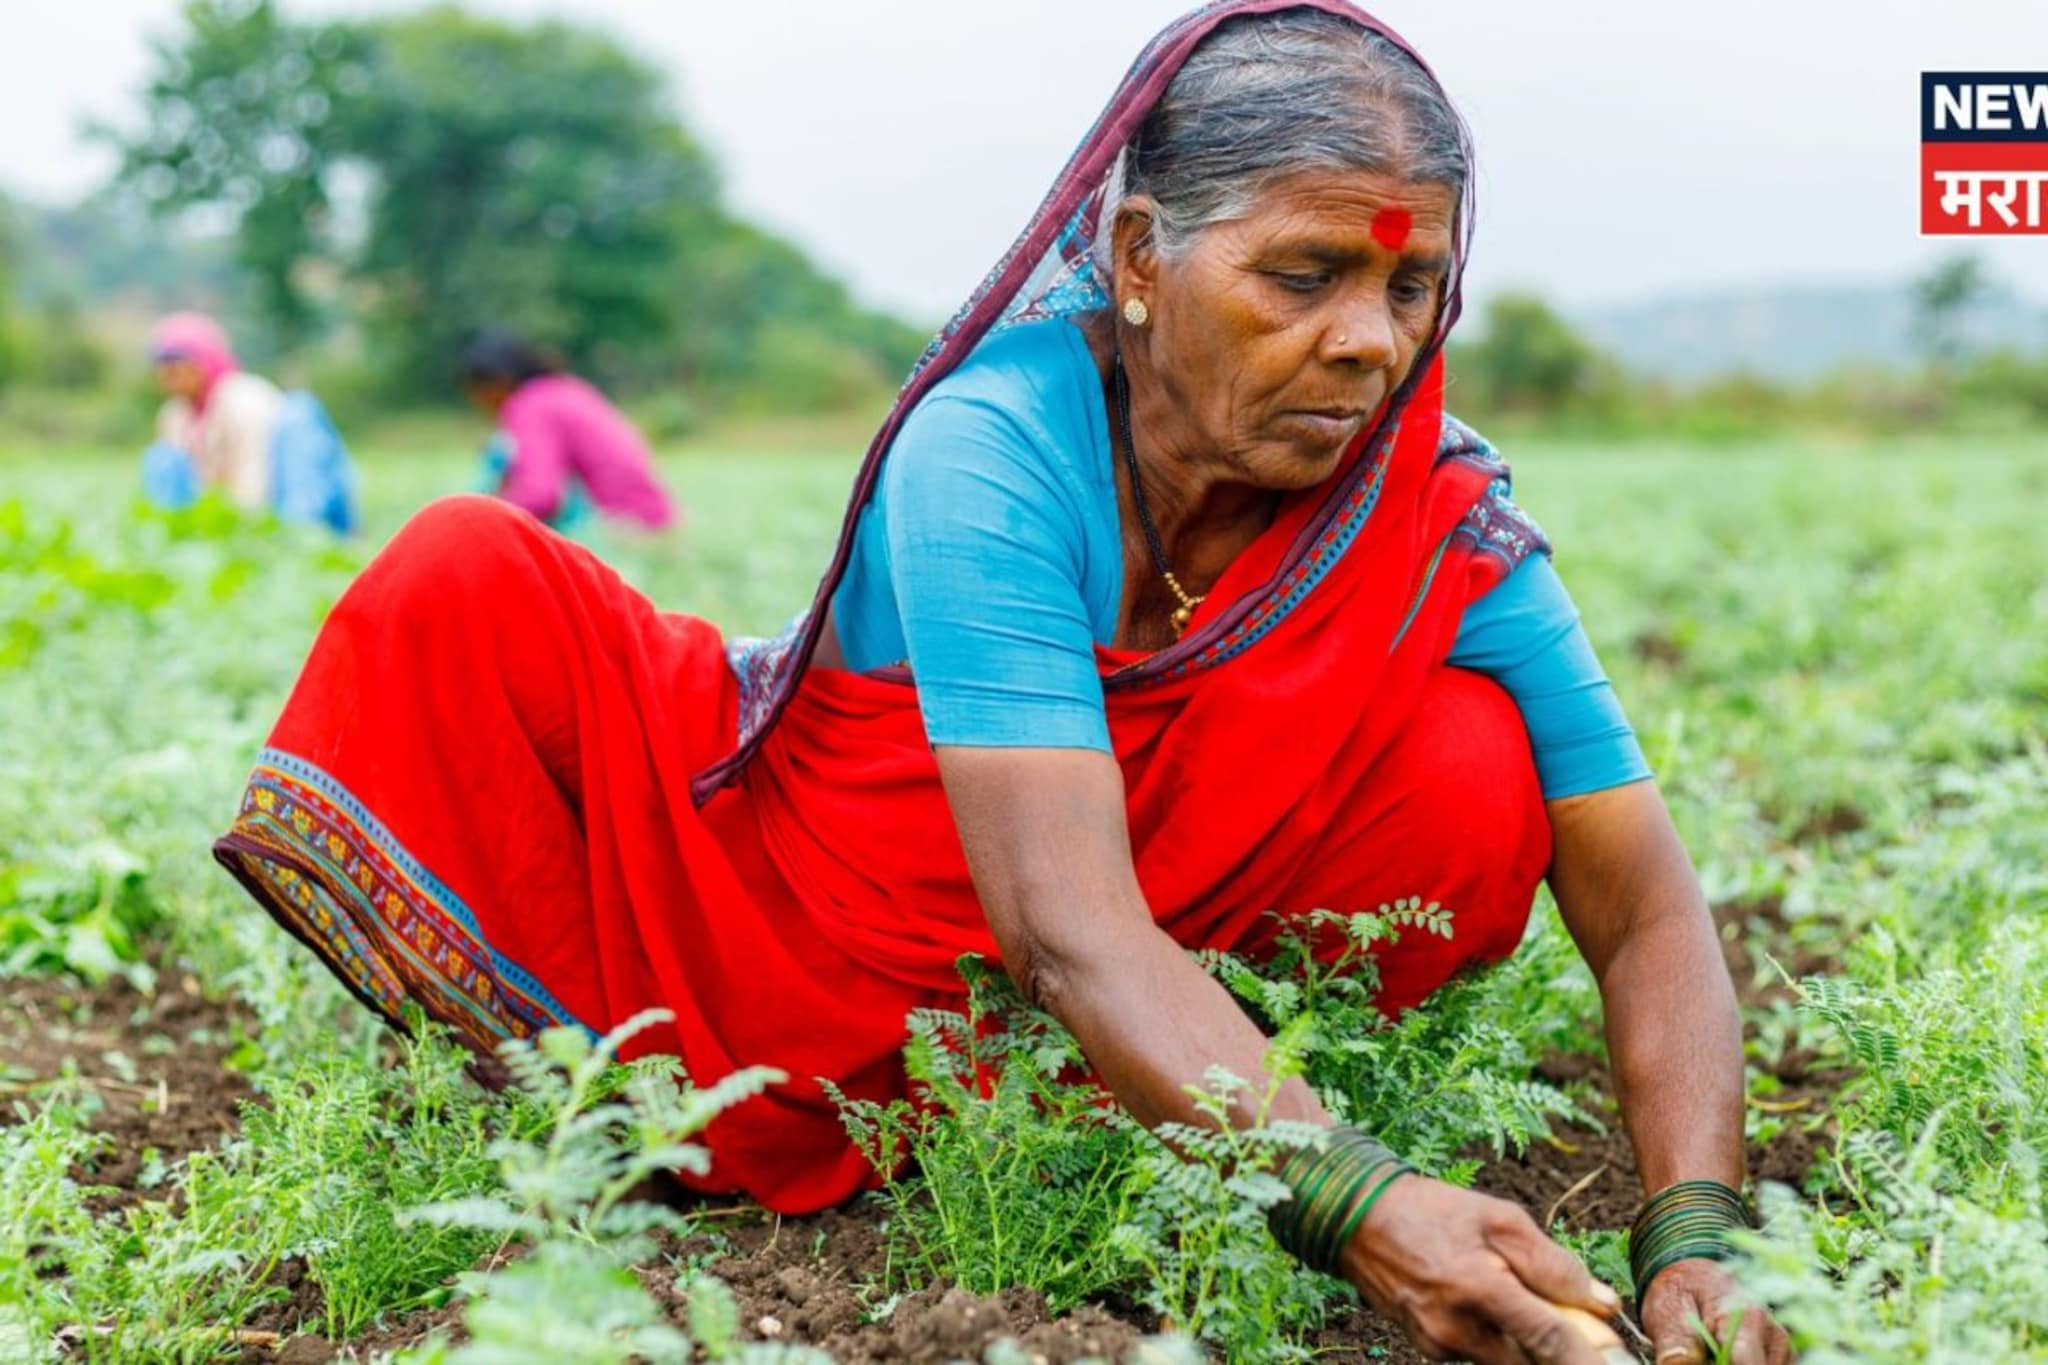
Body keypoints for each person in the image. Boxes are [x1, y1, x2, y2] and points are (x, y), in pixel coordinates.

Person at [215, 6, 1789, 1362]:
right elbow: (1063, 927)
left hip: (1115, 987)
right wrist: (1359, 1203)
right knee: (469, 576)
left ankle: (1143, 1104)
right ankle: (696, 1107)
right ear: (1137, 261)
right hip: (807, 926)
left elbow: (1645, 904)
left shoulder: (1434, 515)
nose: (1367, 341)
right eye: (1303, 277)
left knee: (1472, 758)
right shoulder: (998, 446)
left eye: (1408, 288)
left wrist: (1700, 1229)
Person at [142, 312, 358, 534]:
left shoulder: (243, 399)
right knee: (161, 457)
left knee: (299, 413)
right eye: (162, 363)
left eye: (178, 362)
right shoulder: (174, 415)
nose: (168, 373)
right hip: (230, 505)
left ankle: (305, 533)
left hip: (279, 496)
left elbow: (255, 474)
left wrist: (245, 530)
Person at [458, 332, 679, 532]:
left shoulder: (531, 406)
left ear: (497, 382)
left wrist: (482, 521)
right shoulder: (563, 389)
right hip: (654, 516)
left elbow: (541, 496)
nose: (479, 404)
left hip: (628, 526)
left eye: (477, 394)